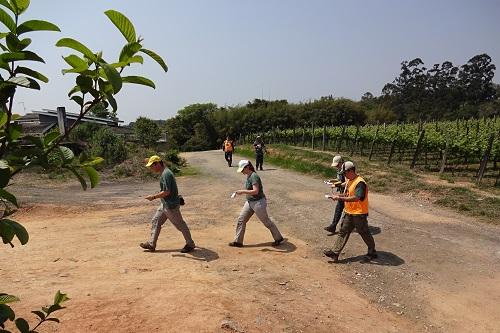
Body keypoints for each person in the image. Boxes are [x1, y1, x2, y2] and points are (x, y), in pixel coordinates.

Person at [140, 155, 196, 253]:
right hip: (165, 204)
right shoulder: (164, 172)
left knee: (180, 225)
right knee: (156, 221)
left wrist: (153, 197)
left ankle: (190, 244)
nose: (151, 169)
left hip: (170, 206)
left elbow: (167, 192)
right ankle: (151, 244)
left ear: (157, 164)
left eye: (152, 166)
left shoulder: (166, 174)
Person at [323, 161, 377, 262]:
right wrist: (337, 196)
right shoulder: (349, 180)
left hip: (359, 214)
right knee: (343, 231)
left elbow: (357, 197)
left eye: (345, 173)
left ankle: (372, 251)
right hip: (349, 212)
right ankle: (335, 253)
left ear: (351, 171)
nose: (344, 175)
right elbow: (347, 194)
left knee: (364, 233)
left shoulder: (360, 182)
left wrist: (340, 199)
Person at [229, 159, 284, 247]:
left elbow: (255, 191)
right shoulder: (249, 175)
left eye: (243, 170)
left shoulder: (254, 176)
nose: (242, 172)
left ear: (247, 167)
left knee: (266, 222)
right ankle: (238, 241)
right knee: (241, 220)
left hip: (258, 202)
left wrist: (242, 191)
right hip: (250, 202)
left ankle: (279, 238)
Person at [324, 155, 346, 234]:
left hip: (347, 192)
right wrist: (332, 180)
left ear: (341, 162)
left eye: (337, 165)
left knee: (345, 210)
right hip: (343, 192)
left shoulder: (346, 169)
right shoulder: (340, 169)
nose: (336, 167)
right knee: (339, 209)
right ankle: (333, 226)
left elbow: (346, 182)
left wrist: (336, 185)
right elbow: (338, 179)